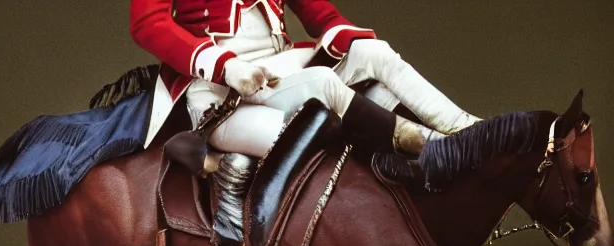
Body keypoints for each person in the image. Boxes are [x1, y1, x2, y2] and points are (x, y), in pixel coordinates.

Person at [130, 0, 480, 162]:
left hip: (278, 70)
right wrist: (224, 65)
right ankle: (231, 245)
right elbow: (147, 24)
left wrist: (342, 34)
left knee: (375, 52)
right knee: (317, 105)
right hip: (219, 95)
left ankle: (471, 133)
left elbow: (319, 12)